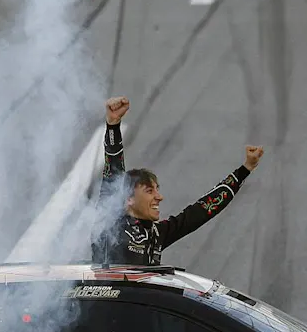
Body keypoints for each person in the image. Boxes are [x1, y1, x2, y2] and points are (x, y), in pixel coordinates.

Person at [90, 96, 264, 265]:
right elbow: (113, 171)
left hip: (142, 295)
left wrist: (245, 170)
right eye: (150, 191)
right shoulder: (110, 221)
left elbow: (202, 210)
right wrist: (113, 127)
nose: (159, 197)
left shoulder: (157, 233)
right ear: (128, 198)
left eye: (157, 190)